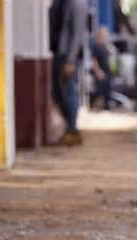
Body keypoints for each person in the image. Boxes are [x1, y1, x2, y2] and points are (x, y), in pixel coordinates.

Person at [49, 0, 88, 146]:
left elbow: (77, 33)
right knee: (58, 93)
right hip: (58, 53)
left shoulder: (77, 3)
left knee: (69, 92)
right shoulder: (59, 2)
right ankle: (69, 128)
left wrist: (71, 60)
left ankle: (72, 130)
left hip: (68, 56)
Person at [89, 27, 113, 110]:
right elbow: (93, 60)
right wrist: (98, 71)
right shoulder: (95, 46)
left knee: (107, 90)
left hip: (107, 71)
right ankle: (91, 104)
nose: (105, 36)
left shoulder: (105, 46)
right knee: (98, 90)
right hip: (100, 71)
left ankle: (106, 107)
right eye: (103, 34)